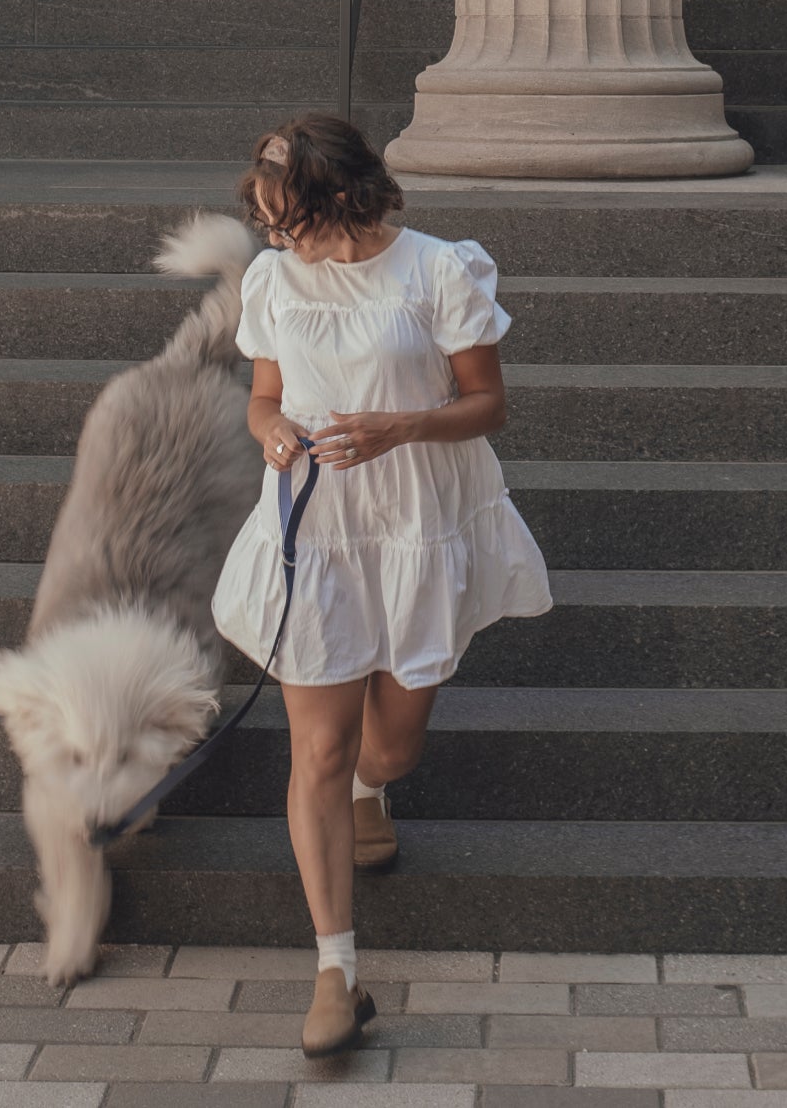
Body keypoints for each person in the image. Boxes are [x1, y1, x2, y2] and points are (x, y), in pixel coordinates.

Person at [212, 113, 552, 1057]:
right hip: (314, 523)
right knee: (315, 753)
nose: (282, 241)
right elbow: (263, 395)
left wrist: (398, 429)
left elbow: (488, 404)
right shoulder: (274, 276)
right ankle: (335, 973)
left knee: (389, 750)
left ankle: (375, 791)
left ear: (350, 199)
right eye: (271, 225)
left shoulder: (439, 269)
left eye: (297, 222)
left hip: (416, 519)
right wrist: (270, 432)